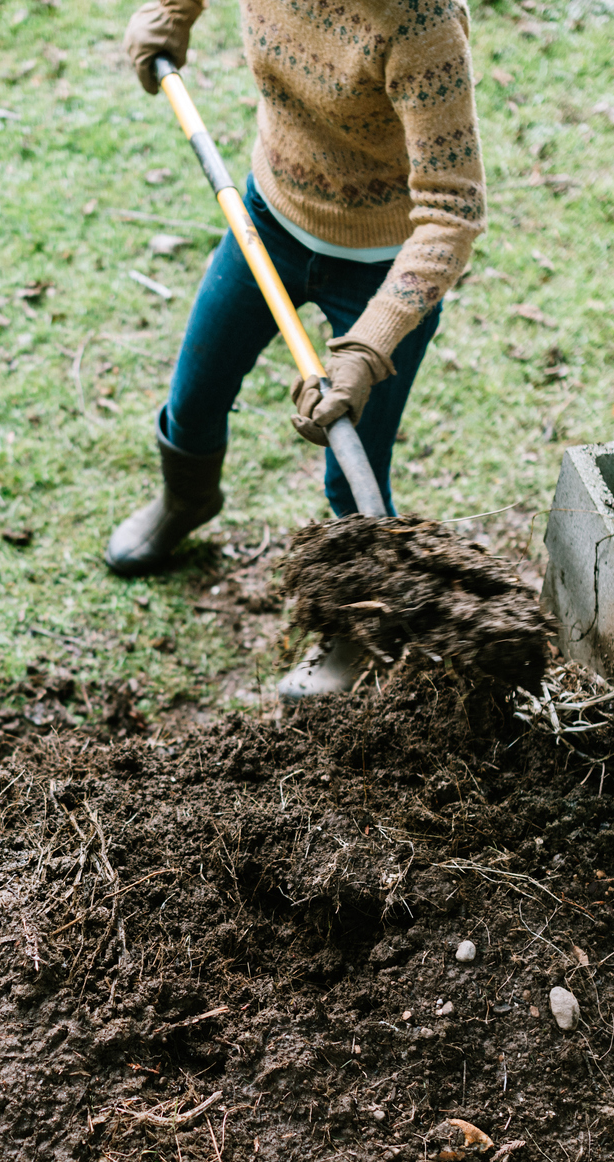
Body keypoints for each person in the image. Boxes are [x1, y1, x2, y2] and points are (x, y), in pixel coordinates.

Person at [105, 0, 487, 698]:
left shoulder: (420, 25)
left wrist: (369, 348)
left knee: (353, 474)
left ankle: (353, 625)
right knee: (194, 397)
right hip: (266, 220)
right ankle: (185, 501)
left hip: (380, 266)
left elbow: (453, 210)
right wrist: (169, 10)